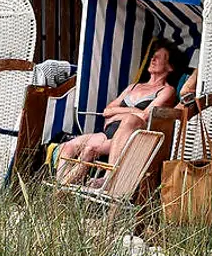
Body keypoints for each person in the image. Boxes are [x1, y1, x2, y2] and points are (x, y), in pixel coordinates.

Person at [55, 43, 180, 183]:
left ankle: (102, 181)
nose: (153, 59)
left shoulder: (167, 90)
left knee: (89, 150)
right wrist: (131, 111)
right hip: (107, 133)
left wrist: (117, 114)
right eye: (152, 56)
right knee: (67, 147)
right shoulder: (134, 86)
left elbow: (145, 116)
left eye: (158, 57)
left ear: (170, 67)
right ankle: (60, 184)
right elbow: (107, 111)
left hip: (130, 136)